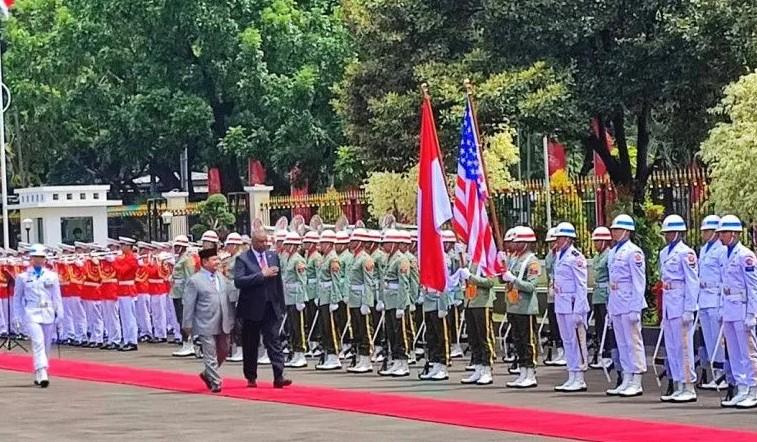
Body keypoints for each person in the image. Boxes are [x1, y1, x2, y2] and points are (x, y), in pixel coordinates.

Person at [233, 229, 291, 388]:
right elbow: (239, 281)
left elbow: (278, 283)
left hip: (271, 306)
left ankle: (279, 375)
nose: (265, 244)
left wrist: (281, 306)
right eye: (261, 241)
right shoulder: (243, 259)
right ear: (253, 242)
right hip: (251, 308)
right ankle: (251, 376)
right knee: (251, 343)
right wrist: (261, 275)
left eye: (266, 241)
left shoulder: (273, 257)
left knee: (274, 340)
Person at [658, 214, 700, 403]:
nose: (667, 236)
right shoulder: (664, 253)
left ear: (678, 233)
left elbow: (692, 282)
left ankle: (688, 386)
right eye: (665, 233)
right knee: (672, 347)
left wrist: (689, 309)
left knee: (684, 347)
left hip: (681, 303)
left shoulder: (686, 253)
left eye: (670, 233)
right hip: (669, 304)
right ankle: (677, 383)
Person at [717, 215, 757, 408]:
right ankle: (742, 388)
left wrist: (752, 313)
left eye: (723, 233)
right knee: (734, 352)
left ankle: (754, 388)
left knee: (748, 352)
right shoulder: (724, 254)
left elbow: (753, 287)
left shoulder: (745, 255)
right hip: (729, 307)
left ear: (734, 233)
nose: (720, 236)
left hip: (742, 306)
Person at [183, 248, 236, 393]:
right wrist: (187, 324)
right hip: (204, 321)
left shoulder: (221, 277)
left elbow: (227, 297)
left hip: (223, 320)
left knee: (224, 350)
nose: (217, 262)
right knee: (210, 353)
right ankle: (215, 381)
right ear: (205, 262)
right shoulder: (195, 280)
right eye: (214, 260)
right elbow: (188, 304)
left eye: (217, 259)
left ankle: (208, 373)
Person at [605, 214, 647, 397]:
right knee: (622, 343)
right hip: (616, 302)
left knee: (633, 342)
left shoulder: (634, 252)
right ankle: (627, 377)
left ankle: (636, 379)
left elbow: (639, 282)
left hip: (629, 301)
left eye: (618, 229)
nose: (614, 233)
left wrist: (636, 307)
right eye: (613, 229)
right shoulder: (613, 252)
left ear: (627, 231)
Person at [13, 244, 64, 388]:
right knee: (38, 342)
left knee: (47, 344)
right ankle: (42, 372)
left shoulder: (51, 276)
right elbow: (17, 298)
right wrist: (16, 316)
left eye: (41, 257)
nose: (39, 260)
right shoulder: (22, 277)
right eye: (36, 257)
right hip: (32, 312)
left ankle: (40, 371)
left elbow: (57, 296)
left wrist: (60, 313)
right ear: (31, 258)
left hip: (47, 312)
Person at [552, 222, 590, 392]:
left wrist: (579, 311)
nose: (557, 241)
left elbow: (582, 285)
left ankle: (580, 377)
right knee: (567, 341)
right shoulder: (559, 255)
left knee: (577, 341)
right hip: (561, 303)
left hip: (573, 304)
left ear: (568, 239)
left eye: (560, 238)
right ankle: (571, 373)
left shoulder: (575, 257)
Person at [503, 226, 541, 388]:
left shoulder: (532, 261)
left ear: (525, 243)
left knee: (527, 341)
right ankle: (522, 371)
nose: (513, 245)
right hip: (513, 306)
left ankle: (530, 373)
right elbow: (504, 280)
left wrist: (514, 280)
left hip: (525, 307)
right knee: (517, 340)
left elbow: (531, 286)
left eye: (517, 242)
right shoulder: (513, 259)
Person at [697, 215, 727, 390]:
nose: (704, 234)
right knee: (709, 339)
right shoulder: (704, 249)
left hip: (715, 296)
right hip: (704, 298)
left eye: (707, 231)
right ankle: (715, 374)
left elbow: (724, 278)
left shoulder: (721, 250)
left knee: (718, 339)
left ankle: (723, 373)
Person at [315, 230, 343, 370]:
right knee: (324, 327)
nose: (321, 245)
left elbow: (336, 282)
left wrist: (334, 300)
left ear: (330, 244)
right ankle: (328, 354)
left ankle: (334, 355)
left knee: (331, 328)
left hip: (329, 297)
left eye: (324, 242)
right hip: (323, 297)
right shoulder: (324, 258)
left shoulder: (333, 260)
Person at [589, 227, 614, 371]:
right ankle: (602, 354)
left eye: (598, 241)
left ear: (605, 241)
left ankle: (608, 354)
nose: (595, 244)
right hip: (598, 295)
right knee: (599, 327)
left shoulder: (609, 255)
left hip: (606, 295)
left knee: (607, 327)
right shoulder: (598, 256)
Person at [282, 232, 308, 368]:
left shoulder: (298, 260)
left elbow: (302, 280)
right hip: (289, 297)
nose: (285, 247)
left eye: (287, 245)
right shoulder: (288, 259)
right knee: (292, 327)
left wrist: (301, 299)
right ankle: (295, 352)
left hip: (296, 296)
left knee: (298, 327)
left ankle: (301, 353)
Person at [543, 227, 566, 366]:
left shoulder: (564, 255)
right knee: (554, 324)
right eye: (550, 242)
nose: (552, 244)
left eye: (554, 241)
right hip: (552, 293)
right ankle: (559, 350)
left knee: (563, 324)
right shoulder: (549, 256)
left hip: (562, 294)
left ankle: (565, 351)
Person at [171, 235, 197, 357]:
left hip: (183, 293)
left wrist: (189, 295)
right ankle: (185, 343)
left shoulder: (187, 259)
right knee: (179, 318)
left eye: (177, 246)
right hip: (177, 292)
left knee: (184, 319)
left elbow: (189, 277)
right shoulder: (180, 258)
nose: (175, 248)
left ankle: (188, 344)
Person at [114, 237, 140, 351]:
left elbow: (122, 271)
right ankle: (127, 339)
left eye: (123, 245)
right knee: (124, 318)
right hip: (122, 289)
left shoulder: (132, 259)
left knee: (129, 317)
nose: (121, 247)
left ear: (129, 246)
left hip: (128, 289)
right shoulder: (124, 258)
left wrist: (113, 261)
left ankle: (132, 341)